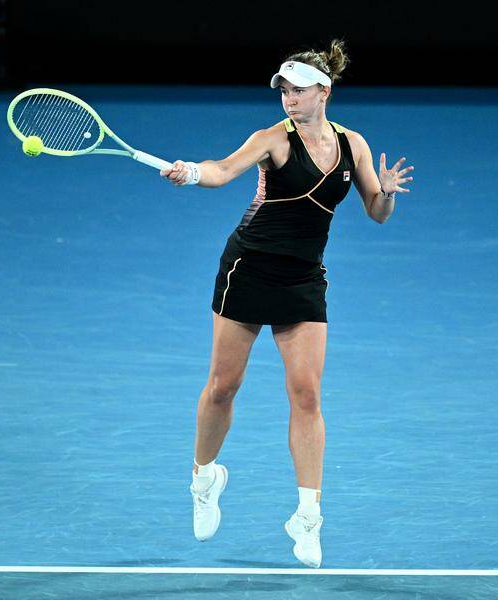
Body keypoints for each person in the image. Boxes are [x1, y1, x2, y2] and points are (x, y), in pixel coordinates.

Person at [161, 40, 414, 568]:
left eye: (298, 91)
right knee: (223, 387)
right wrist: (192, 172)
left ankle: (307, 516)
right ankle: (204, 478)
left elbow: (377, 211)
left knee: (306, 394)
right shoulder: (272, 140)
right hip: (248, 269)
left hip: (303, 278)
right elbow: (222, 170)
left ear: (324, 92)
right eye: (284, 91)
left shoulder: (353, 145)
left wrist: (386, 191)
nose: (289, 99)